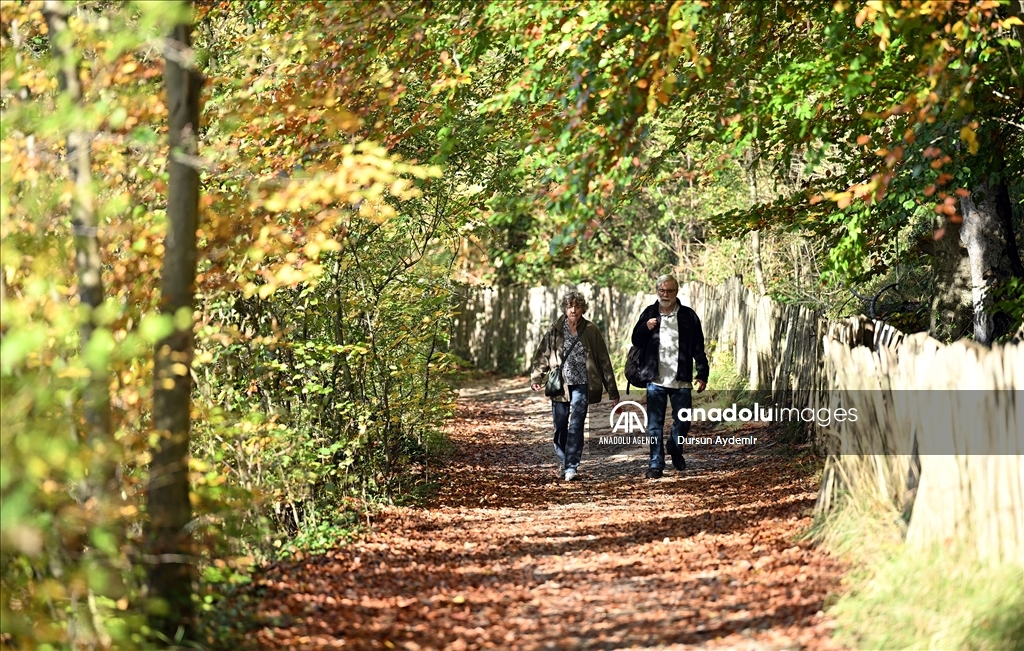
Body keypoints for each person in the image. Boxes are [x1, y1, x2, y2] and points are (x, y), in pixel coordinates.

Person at [531, 291, 620, 481]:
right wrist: (536, 377)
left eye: (577, 306)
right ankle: (564, 461)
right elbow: (542, 355)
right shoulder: (555, 330)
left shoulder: (591, 330)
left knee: (577, 424)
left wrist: (613, 391)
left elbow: (604, 360)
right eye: (570, 306)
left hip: (583, 384)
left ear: (582, 309)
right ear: (565, 308)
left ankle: (571, 466)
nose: (574, 310)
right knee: (560, 426)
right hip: (560, 385)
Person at [630, 274, 709, 479]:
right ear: (657, 291)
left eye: (670, 291)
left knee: (683, 421)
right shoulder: (649, 313)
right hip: (655, 380)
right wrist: (645, 327)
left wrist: (702, 373)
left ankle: (674, 446)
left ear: (677, 291)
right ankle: (656, 464)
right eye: (662, 291)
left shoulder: (688, 316)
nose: (665, 294)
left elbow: (698, 347)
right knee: (654, 424)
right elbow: (636, 340)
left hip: (681, 379)